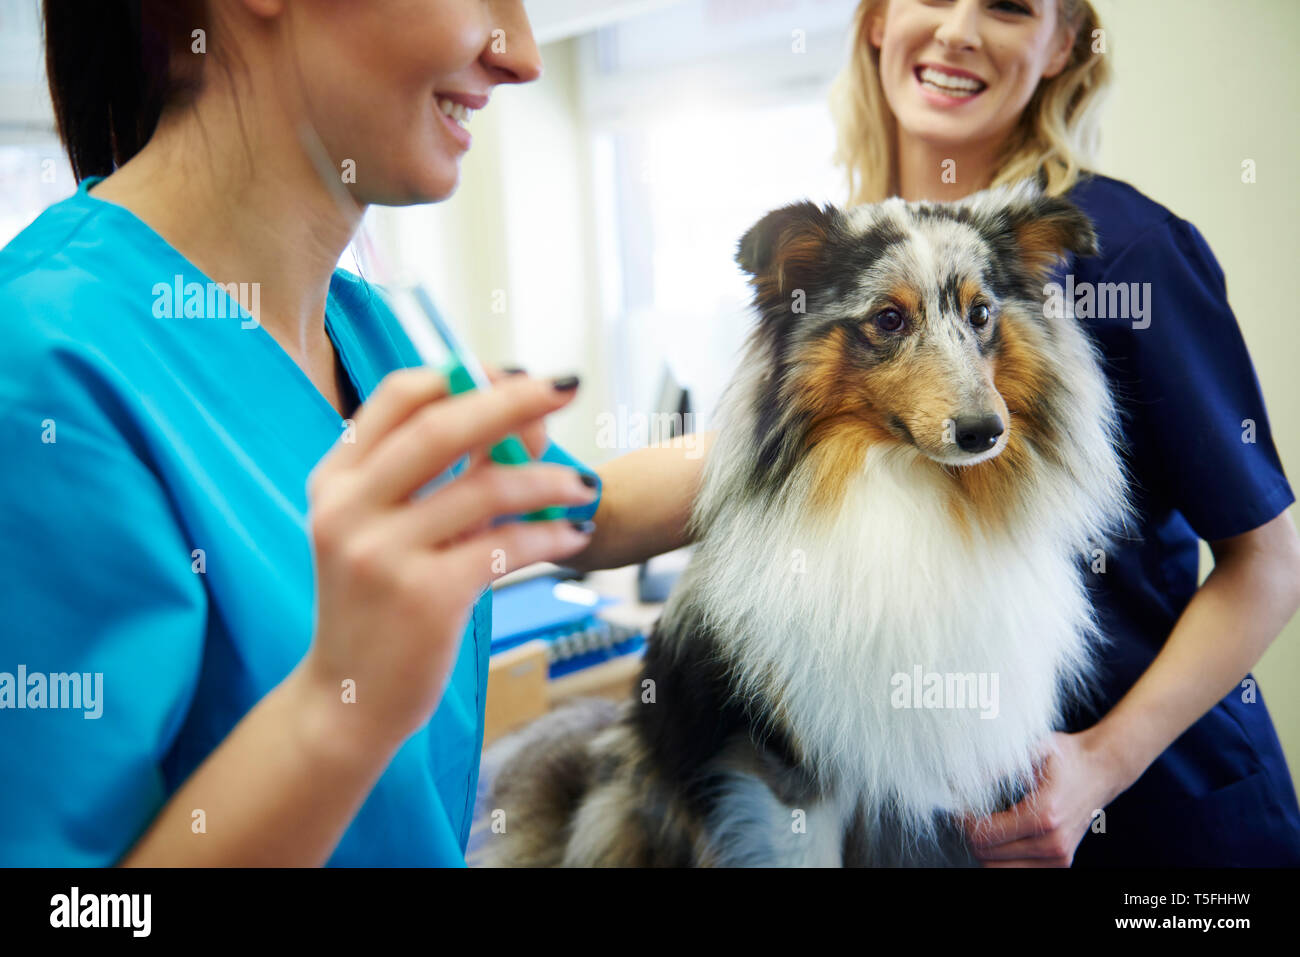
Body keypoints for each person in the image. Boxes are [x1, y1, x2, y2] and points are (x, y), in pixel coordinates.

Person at [0, 0, 702, 866]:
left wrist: (837, 415)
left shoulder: (372, 336)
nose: (521, 55)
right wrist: (342, 703)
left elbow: (585, 511)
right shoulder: (40, 364)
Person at [830, 0, 1300, 865]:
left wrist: (1097, 767)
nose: (961, 30)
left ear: (1061, 47)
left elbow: (1270, 560)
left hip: (1165, 825)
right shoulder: (845, 268)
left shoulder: (1125, 253)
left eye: (1010, 7)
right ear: (876, 19)